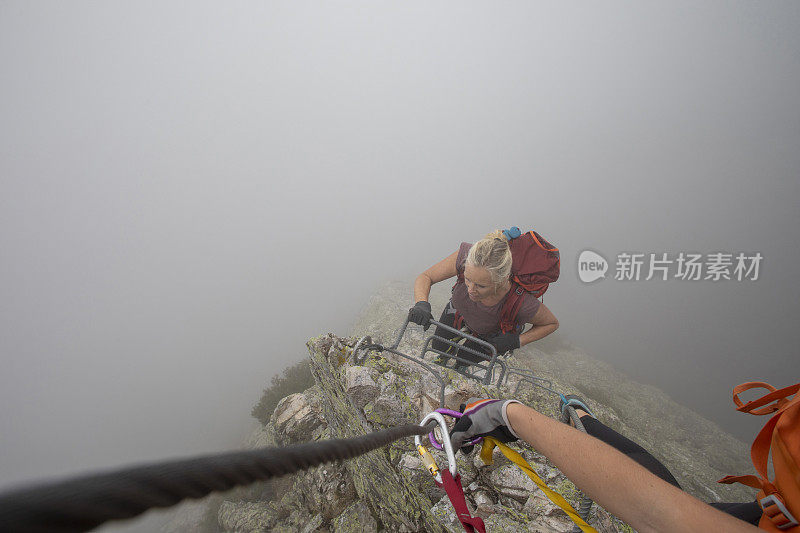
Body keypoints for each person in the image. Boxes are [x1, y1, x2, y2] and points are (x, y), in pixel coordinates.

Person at [449, 396, 762, 533]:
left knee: (676, 503)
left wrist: (508, 415)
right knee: (687, 503)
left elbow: (660, 516)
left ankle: (583, 417)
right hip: (766, 515)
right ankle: (584, 418)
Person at [408, 230, 559, 370]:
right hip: (458, 312)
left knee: (465, 359)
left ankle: (459, 367)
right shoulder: (465, 258)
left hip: (491, 335)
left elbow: (551, 323)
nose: (470, 290)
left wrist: (517, 341)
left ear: (503, 280)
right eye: (467, 279)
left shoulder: (520, 301)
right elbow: (426, 277)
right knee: (439, 346)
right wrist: (422, 303)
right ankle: (443, 358)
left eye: (481, 286)